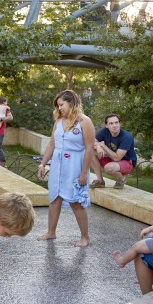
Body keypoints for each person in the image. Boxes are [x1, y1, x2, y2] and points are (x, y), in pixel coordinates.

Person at [37, 90, 95, 247]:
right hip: (57, 164)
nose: (59, 108)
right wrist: (43, 164)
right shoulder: (59, 122)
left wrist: (84, 173)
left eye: (61, 104)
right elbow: (51, 144)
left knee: (76, 201)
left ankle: (85, 237)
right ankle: (51, 232)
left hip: (75, 165)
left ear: (71, 102)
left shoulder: (84, 121)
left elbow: (89, 149)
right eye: (58, 105)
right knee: (55, 198)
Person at [89, 114, 137, 190]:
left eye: (116, 122)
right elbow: (93, 141)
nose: (114, 125)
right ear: (106, 126)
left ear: (120, 123)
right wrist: (98, 146)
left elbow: (117, 158)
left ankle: (121, 179)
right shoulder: (105, 131)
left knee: (109, 168)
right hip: (111, 158)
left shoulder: (126, 137)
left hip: (127, 162)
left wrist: (103, 146)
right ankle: (100, 181)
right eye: (111, 123)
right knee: (90, 151)